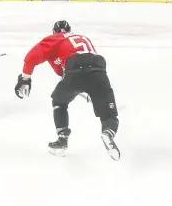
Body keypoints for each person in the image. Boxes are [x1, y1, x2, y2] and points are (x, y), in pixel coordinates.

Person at [14, 20, 121, 160]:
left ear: (55, 31)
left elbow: (32, 57)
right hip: (99, 73)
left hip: (75, 71)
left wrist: (25, 78)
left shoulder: (56, 38)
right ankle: (108, 133)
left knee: (59, 100)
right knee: (109, 115)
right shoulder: (82, 38)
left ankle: (62, 139)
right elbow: (75, 65)